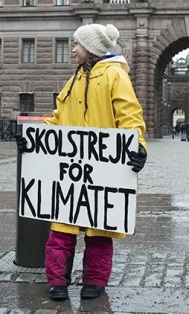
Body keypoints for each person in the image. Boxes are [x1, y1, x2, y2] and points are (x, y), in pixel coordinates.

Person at [15, 23, 147, 301]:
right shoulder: (75, 78)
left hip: (102, 171)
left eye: (76, 44)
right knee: (60, 232)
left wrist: (138, 147)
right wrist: (34, 137)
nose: (72, 49)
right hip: (70, 172)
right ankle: (56, 282)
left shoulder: (115, 76)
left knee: (99, 232)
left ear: (89, 49)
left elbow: (130, 117)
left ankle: (95, 281)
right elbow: (58, 117)